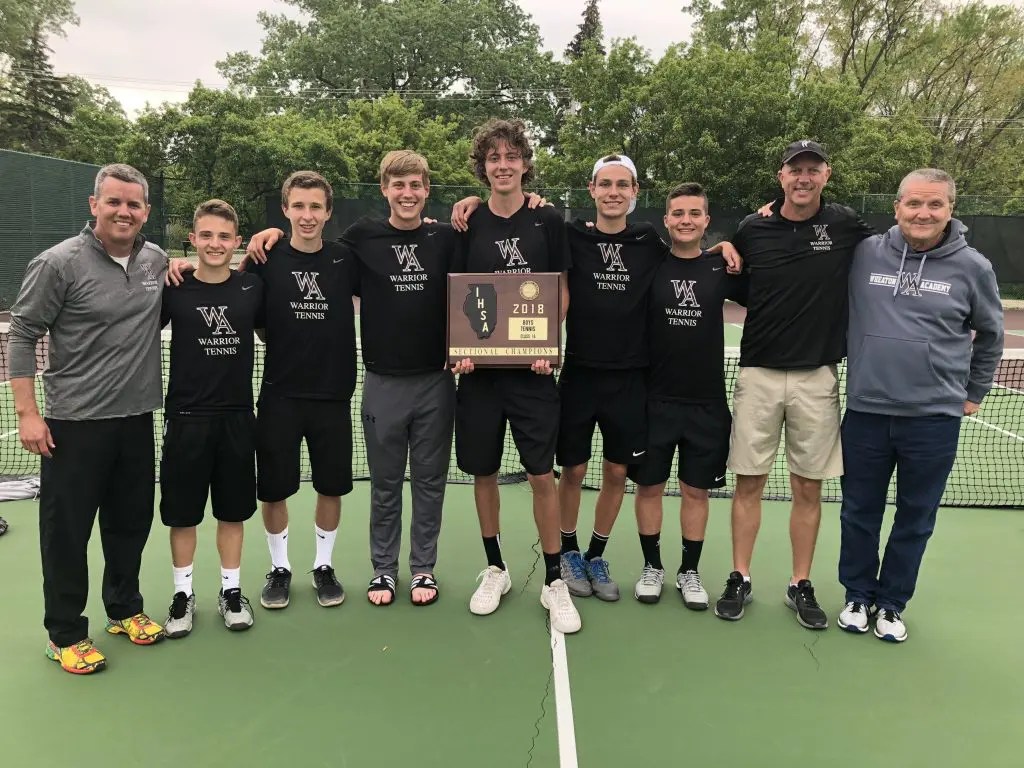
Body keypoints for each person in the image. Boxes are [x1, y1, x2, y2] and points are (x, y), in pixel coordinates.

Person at [246, 151, 459, 607]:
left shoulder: (441, 237)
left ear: (427, 190)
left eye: (415, 185)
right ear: (384, 189)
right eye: (398, 185)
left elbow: (481, 253)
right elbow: (246, 285)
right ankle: (382, 571)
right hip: (372, 382)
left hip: (433, 382)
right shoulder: (358, 240)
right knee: (384, 484)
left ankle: (422, 568)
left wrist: (475, 204)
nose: (407, 193)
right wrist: (268, 235)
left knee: (428, 483)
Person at [9, 163, 167, 674]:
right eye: (114, 201)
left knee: (129, 525)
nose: (124, 211)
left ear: (146, 211)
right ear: (94, 205)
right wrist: (28, 414)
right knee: (67, 534)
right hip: (73, 425)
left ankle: (124, 609)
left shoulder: (156, 260)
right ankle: (65, 633)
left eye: (133, 204)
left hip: (136, 420)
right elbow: (22, 335)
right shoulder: (58, 263)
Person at [837, 168, 1003, 642]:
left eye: (934, 204)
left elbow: (991, 335)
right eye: (913, 203)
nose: (923, 213)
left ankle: (891, 604)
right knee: (858, 512)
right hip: (866, 413)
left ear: (951, 209)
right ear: (897, 208)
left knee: (915, 519)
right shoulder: (865, 253)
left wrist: (974, 393)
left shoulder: (974, 267)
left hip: (933, 420)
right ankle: (857, 595)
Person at [717, 140, 874, 630]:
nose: (803, 178)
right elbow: (732, 270)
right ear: (781, 177)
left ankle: (799, 583)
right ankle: (740, 576)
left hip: (817, 376)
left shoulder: (846, 224)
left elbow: (897, 247)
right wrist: (722, 245)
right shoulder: (753, 227)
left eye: (812, 169)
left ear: (827, 175)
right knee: (749, 481)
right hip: (759, 374)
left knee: (808, 486)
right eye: (795, 170)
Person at [449, 118, 580, 633]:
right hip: (479, 376)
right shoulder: (467, 222)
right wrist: (460, 351)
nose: (502, 165)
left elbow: (560, 290)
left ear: (525, 163)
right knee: (483, 473)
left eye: (511, 156)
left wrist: (547, 344)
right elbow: (459, 293)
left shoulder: (548, 220)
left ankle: (554, 580)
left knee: (541, 475)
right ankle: (496, 569)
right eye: (493, 158)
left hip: (533, 375)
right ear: (482, 167)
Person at [552, 154, 668, 603]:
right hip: (579, 374)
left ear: (635, 192)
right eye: (605, 184)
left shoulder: (648, 240)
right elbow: (526, 220)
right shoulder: (572, 235)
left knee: (618, 470)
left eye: (623, 185)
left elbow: (687, 253)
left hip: (631, 379)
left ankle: (596, 554)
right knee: (574, 469)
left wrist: (723, 249)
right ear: (592, 189)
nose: (614, 192)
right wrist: (470, 202)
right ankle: (568, 550)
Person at [244, 171, 357, 610]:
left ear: (328, 213)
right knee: (273, 490)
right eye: (298, 206)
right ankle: (280, 568)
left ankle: (323, 566)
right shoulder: (265, 258)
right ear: (285, 210)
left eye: (315, 207)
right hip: (280, 394)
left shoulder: (345, 259)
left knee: (331, 486)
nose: (306, 215)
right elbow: (240, 302)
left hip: (333, 396)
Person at [630, 183, 746, 608]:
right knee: (649, 489)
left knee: (696, 492)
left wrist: (728, 246)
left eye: (694, 213)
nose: (685, 220)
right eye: (678, 213)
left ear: (706, 221)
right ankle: (652, 567)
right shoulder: (650, 262)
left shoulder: (721, 268)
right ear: (666, 220)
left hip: (706, 405)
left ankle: (689, 572)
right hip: (653, 401)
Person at [160, 200, 264, 637]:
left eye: (224, 236)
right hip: (186, 418)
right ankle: (182, 595)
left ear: (237, 241)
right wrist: (166, 265)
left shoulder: (252, 287)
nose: (215, 243)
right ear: (193, 239)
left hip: (237, 418)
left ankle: (231, 592)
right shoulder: (174, 286)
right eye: (206, 235)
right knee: (183, 516)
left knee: (232, 513)